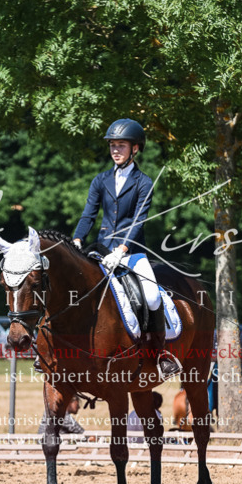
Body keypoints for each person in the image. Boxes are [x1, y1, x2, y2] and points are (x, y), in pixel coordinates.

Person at [72, 118, 181, 380]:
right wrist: (76, 240)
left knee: (152, 297)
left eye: (121, 145)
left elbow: (139, 219)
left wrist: (122, 248)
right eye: (112, 145)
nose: (115, 150)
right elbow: (89, 214)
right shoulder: (100, 180)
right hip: (100, 250)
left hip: (131, 253)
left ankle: (159, 353)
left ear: (135, 149)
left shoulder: (144, 182)